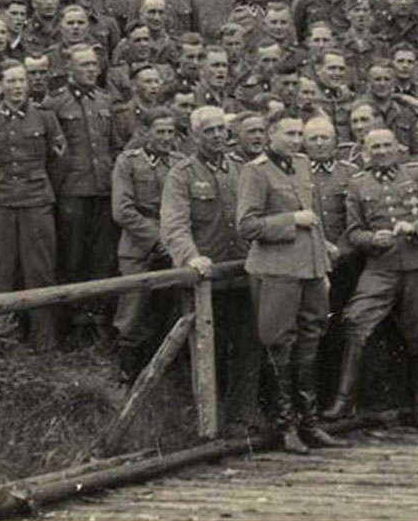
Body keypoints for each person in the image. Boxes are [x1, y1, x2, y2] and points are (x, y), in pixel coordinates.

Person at [324, 127, 418, 429]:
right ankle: (344, 400)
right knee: (356, 319)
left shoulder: (417, 174)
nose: (381, 151)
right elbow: (353, 232)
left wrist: (414, 228)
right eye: (374, 146)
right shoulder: (358, 184)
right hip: (382, 266)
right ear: (365, 151)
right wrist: (371, 239)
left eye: (386, 145)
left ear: (398, 148)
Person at [237, 114, 345, 454]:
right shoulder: (256, 171)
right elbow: (247, 225)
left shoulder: (301, 164)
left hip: (310, 268)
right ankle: (286, 427)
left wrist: (323, 267)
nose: (297, 139)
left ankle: (310, 422)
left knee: (311, 339)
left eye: (300, 133)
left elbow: (315, 219)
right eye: (289, 133)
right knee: (279, 344)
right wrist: (290, 221)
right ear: (271, 135)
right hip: (276, 271)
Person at [160, 106, 258, 426]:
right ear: (194, 136)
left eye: (221, 130)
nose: (217, 136)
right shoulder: (182, 174)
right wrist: (190, 257)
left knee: (247, 345)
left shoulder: (240, 168)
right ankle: (208, 418)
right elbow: (174, 226)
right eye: (209, 131)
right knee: (208, 349)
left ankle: (243, 416)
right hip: (206, 279)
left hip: (243, 273)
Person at [0, 60, 67, 349]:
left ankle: (44, 341)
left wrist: (43, 190)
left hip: (36, 202)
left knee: (40, 272)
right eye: (10, 82)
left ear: (28, 85)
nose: (16, 87)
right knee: (2, 273)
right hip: (0, 204)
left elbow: (59, 162)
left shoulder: (45, 118)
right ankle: (4, 340)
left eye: (21, 81)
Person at [44, 45, 120, 335]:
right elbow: (50, 153)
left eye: (94, 65)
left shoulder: (104, 100)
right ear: (70, 70)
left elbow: (113, 145)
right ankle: (73, 320)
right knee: (72, 256)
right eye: (84, 65)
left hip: (103, 189)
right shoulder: (55, 104)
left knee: (101, 257)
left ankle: (97, 317)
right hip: (72, 191)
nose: (91, 70)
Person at [110, 106, 186, 380]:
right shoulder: (128, 162)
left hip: (174, 241)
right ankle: (126, 373)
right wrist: (157, 240)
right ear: (145, 132)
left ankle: (160, 374)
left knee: (167, 309)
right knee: (132, 311)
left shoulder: (180, 162)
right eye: (160, 132)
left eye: (170, 132)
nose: (166, 138)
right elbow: (122, 210)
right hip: (137, 245)